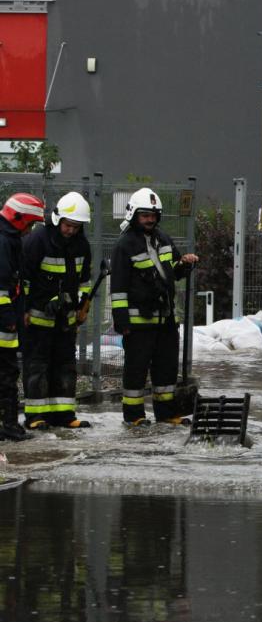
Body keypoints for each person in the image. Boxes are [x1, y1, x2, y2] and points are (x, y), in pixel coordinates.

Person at [110, 188, 199, 426]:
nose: (150, 219)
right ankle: (134, 416)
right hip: (138, 322)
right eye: (145, 215)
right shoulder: (124, 245)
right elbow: (118, 288)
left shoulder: (164, 239)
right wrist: (122, 321)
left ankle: (166, 414)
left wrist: (185, 264)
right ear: (133, 215)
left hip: (166, 320)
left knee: (166, 370)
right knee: (136, 371)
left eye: (153, 215)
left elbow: (173, 271)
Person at [21, 192, 95, 430]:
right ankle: (35, 417)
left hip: (66, 321)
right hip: (38, 320)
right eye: (67, 225)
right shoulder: (38, 240)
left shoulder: (82, 245)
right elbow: (24, 279)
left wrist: (82, 303)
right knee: (37, 367)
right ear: (57, 219)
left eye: (76, 226)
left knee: (65, 367)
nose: (71, 230)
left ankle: (64, 415)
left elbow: (84, 280)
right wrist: (27, 308)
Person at [0, 194, 45, 441]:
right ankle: (8, 426)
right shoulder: (4, 242)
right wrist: (9, 319)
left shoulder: (9, 239)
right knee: (7, 375)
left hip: (7, 321)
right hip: (3, 325)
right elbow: (2, 287)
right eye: (30, 224)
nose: (30, 230)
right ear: (19, 219)